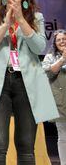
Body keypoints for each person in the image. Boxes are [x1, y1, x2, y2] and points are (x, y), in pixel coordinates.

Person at [0, 0, 58, 164]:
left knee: (26, 146)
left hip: (27, 82)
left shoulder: (36, 18)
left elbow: (39, 47)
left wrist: (21, 19)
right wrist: (6, 23)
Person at [42, 29, 66, 164]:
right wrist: (63, 58)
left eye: (64, 39)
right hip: (60, 102)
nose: (62, 41)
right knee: (63, 136)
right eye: (59, 40)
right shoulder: (50, 57)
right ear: (55, 43)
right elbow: (49, 72)